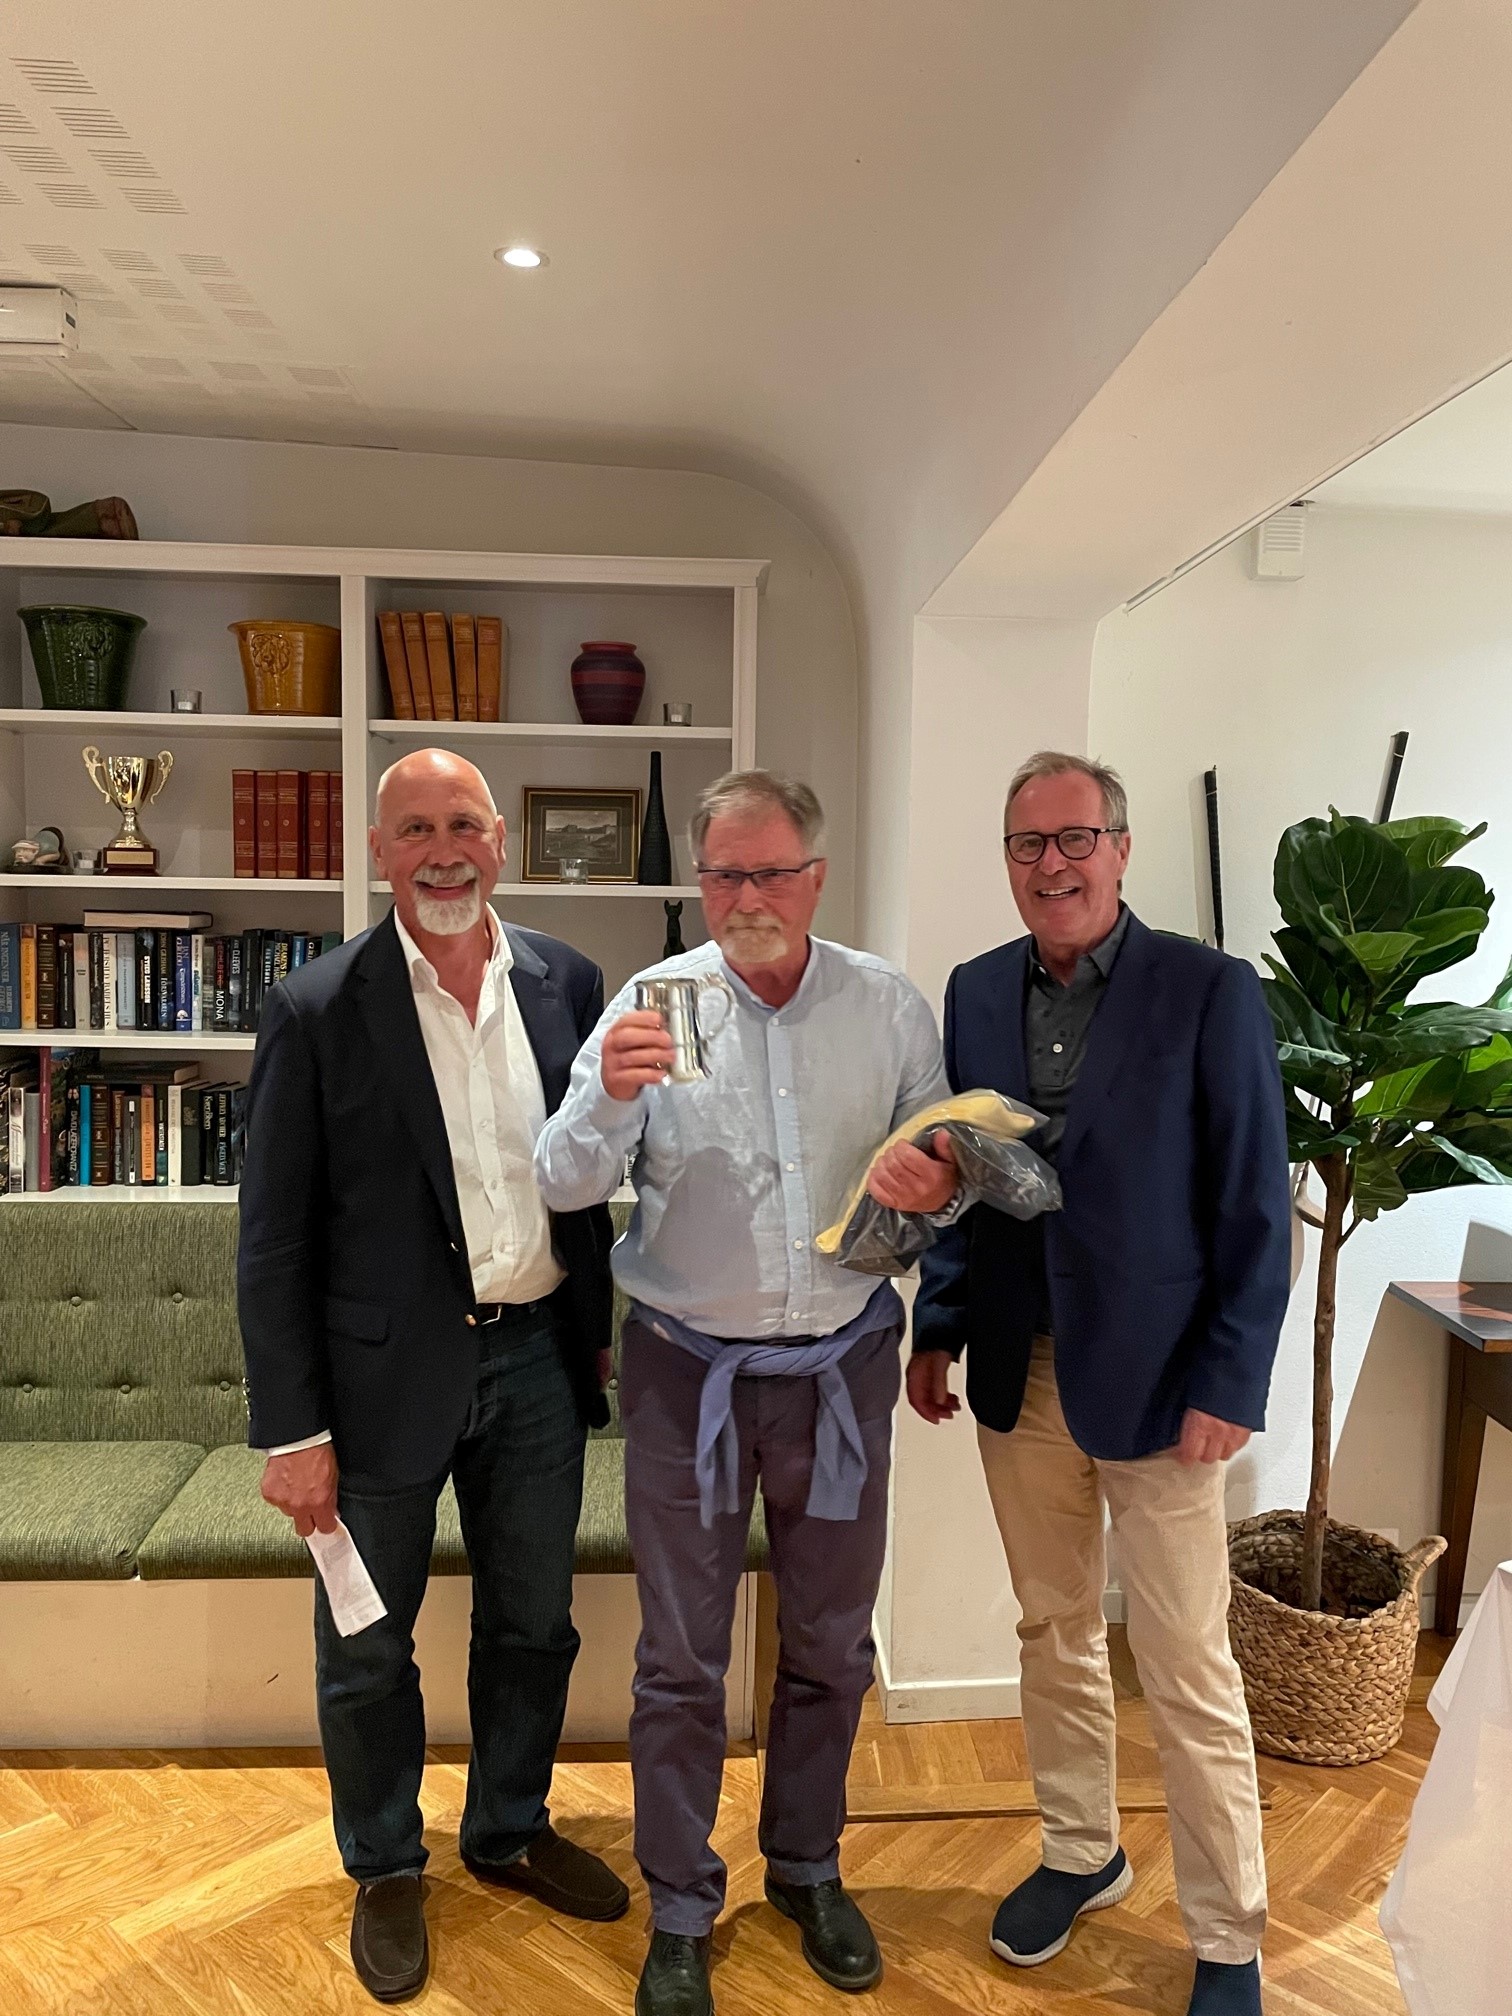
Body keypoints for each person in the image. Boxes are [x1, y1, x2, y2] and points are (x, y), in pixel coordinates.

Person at [535, 770, 960, 2016]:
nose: (747, 897)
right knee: (679, 1658)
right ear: (702, 881)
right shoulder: (651, 1007)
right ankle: (679, 1905)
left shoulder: (886, 1008)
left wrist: (936, 1185)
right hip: (688, 1376)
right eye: (724, 874)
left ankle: (808, 1867)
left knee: (830, 1644)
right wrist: (609, 1092)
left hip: (842, 1371)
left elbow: (939, 1177)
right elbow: (563, 1182)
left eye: (771, 872)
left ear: (817, 877)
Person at [238, 748, 628, 2005]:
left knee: (534, 1624)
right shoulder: (316, 1007)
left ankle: (508, 1827)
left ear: (502, 840)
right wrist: (291, 1431)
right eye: (415, 829)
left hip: (538, 1363)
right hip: (376, 1387)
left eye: (463, 823)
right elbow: (273, 1242)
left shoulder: (569, 982)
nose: (443, 850)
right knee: (368, 1645)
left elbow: (587, 1174)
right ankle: (386, 1864)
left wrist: (597, 1327)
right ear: (379, 851)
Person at [912, 751, 1290, 2016]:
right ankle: (1083, 1851)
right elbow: (966, 1175)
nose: (1053, 864)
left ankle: (1228, 1932)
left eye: (1077, 838)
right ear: (1008, 861)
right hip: (1020, 1372)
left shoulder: (1209, 989)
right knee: (1054, 1628)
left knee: (1186, 1660)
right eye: (1028, 844)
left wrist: (1232, 1375)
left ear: (1121, 849)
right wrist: (938, 1325)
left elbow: (1254, 1200)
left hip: (1169, 1384)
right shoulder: (974, 990)